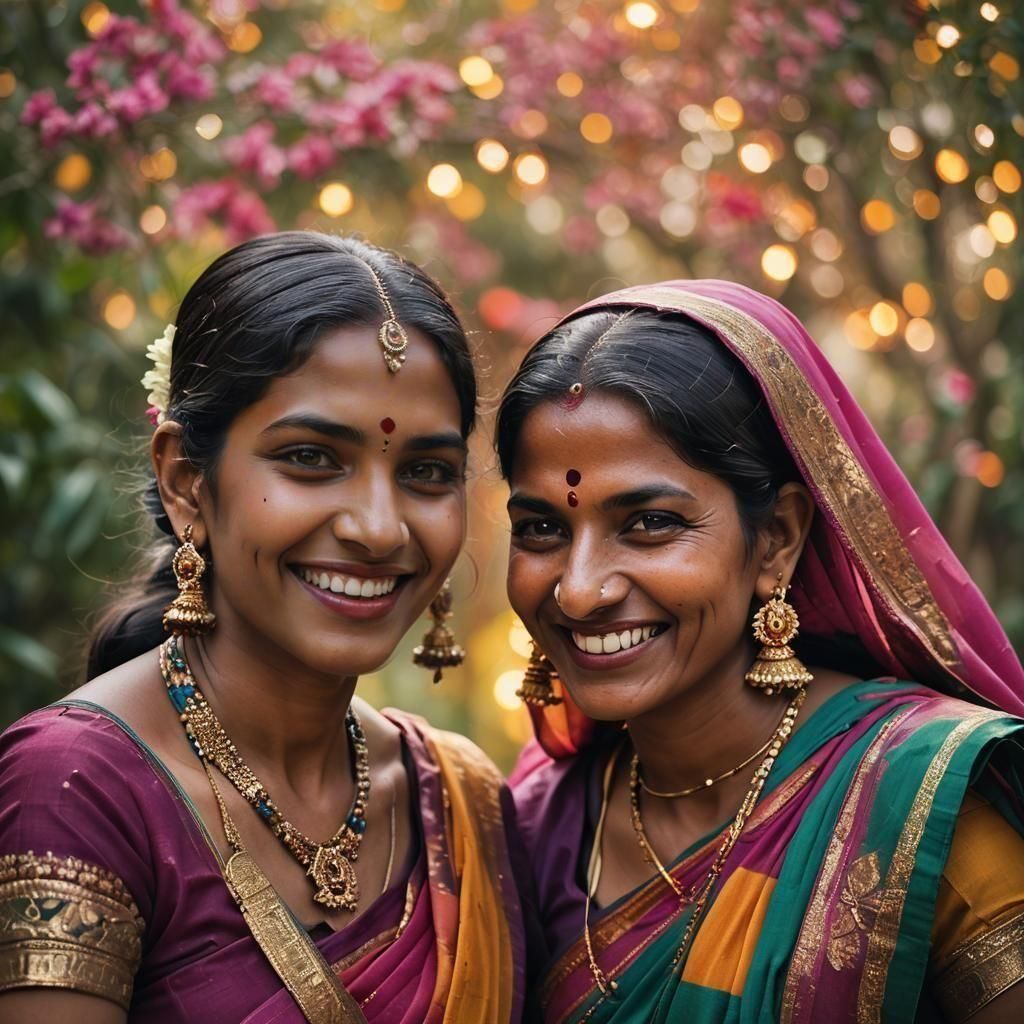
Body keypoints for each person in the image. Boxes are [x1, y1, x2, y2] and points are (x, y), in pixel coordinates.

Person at [0, 232, 530, 1023]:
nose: (379, 528)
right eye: (312, 458)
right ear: (186, 482)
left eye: (426, 472)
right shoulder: (78, 788)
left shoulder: (464, 805)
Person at [495, 279, 1024, 1023]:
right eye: (542, 528)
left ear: (776, 538)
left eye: (649, 523)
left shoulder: (919, 803)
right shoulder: (533, 828)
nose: (579, 592)